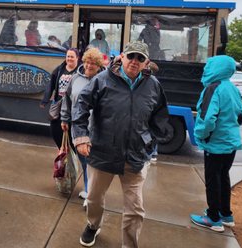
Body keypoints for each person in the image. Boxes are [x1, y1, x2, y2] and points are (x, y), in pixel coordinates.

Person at [72, 41, 170, 248]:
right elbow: (81, 106)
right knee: (94, 199)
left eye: (140, 58)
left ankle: (130, 244)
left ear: (146, 63)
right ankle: (93, 225)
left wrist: (149, 142)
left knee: (135, 209)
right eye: (131, 56)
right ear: (122, 57)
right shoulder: (102, 80)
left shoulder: (154, 85)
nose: (135, 61)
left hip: (135, 156)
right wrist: (81, 137)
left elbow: (160, 116)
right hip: (102, 152)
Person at [190, 55, 242, 233]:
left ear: (216, 69)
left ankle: (213, 218)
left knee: (212, 181)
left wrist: (201, 137)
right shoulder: (232, 88)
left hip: (215, 144)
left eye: (209, 66)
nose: (206, 70)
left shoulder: (212, 89)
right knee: (223, 177)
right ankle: (226, 214)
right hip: (231, 143)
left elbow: (207, 119)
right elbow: (240, 115)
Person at [60, 47, 104, 207]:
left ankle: (91, 195)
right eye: (86, 61)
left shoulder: (105, 80)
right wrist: (65, 118)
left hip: (97, 129)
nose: (89, 65)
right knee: (85, 162)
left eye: (93, 63)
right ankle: (88, 190)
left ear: (99, 65)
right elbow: (67, 99)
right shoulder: (75, 79)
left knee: (93, 163)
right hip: (79, 129)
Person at [40, 48, 80, 149]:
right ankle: (61, 150)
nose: (69, 59)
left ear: (77, 58)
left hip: (72, 106)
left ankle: (70, 154)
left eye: (72, 56)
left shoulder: (80, 71)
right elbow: (51, 85)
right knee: (55, 129)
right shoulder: (59, 70)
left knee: (70, 132)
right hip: (59, 104)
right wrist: (45, 100)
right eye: (68, 56)